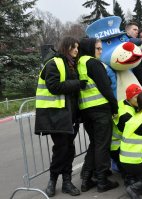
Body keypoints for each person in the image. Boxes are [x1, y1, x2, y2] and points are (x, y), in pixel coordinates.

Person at [35, 36, 82, 197]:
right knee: (61, 149)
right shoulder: (54, 63)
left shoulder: (71, 63)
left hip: (69, 115)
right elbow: (54, 87)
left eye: (77, 47)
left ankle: (67, 182)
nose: (76, 50)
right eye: (73, 47)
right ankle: (53, 181)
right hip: (56, 115)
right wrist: (78, 84)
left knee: (69, 149)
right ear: (66, 48)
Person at [77, 38, 119, 193]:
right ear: (90, 48)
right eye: (98, 48)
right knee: (102, 145)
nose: (101, 51)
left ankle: (86, 179)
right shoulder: (94, 63)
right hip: (100, 109)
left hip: (86, 110)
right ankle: (102, 181)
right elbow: (105, 88)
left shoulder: (79, 62)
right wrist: (114, 106)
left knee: (95, 143)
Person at [110, 83, 142, 185]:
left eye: (140, 97)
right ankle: (130, 180)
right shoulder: (125, 114)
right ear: (129, 98)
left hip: (121, 145)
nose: (139, 99)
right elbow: (135, 133)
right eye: (136, 97)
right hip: (118, 147)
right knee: (132, 171)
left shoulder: (126, 104)